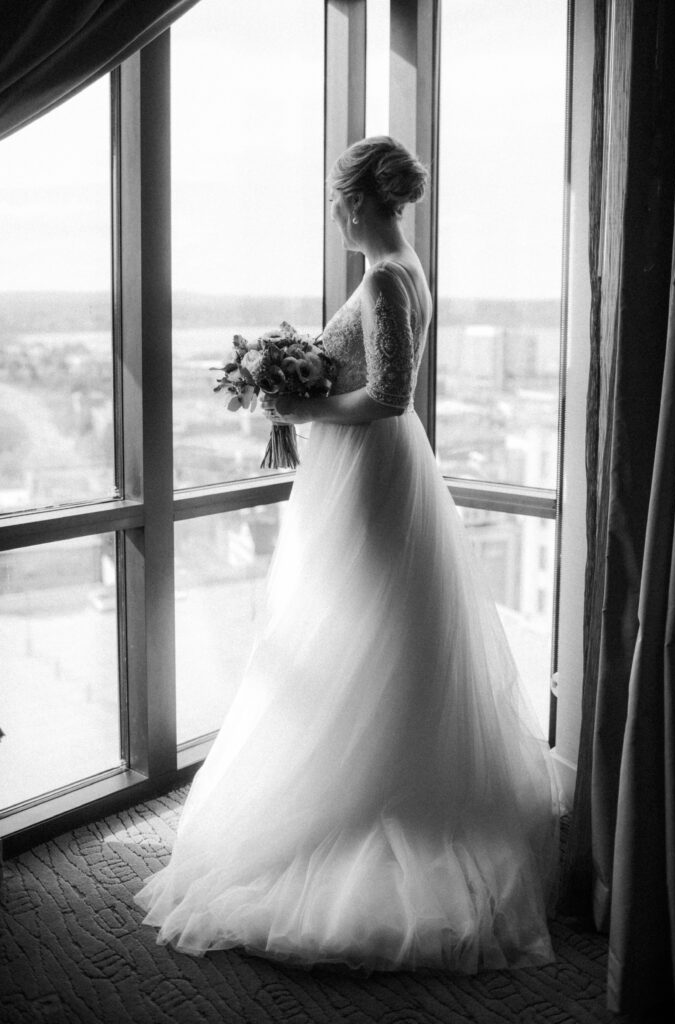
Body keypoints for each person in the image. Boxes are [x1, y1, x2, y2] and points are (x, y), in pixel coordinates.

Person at [135, 136, 560, 972]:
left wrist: (300, 406)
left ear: (356, 200)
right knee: (372, 631)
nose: (331, 214)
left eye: (335, 200)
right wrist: (307, 388)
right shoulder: (403, 266)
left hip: (370, 473)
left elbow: (391, 394)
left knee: (355, 628)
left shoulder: (382, 277)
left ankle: (368, 797)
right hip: (375, 470)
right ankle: (379, 769)